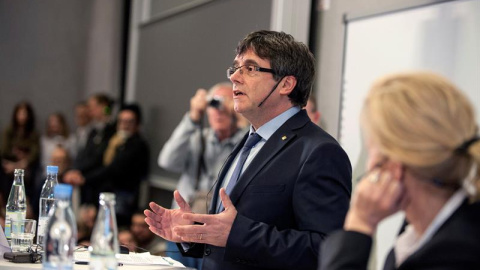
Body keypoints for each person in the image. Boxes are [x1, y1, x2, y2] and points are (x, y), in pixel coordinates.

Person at [145, 30, 352, 270]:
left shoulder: (319, 152)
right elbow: (230, 237)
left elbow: (328, 249)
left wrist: (238, 234)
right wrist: (192, 232)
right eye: (235, 68)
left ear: (286, 84)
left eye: (251, 68)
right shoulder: (250, 140)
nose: (235, 77)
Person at [319, 72, 480, 270]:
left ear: (393, 166)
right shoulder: (418, 232)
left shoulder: (454, 256)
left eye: (371, 149)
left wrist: (359, 224)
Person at [158, 82, 245, 269]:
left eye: (226, 104)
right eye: (214, 104)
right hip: (182, 228)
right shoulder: (197, 138)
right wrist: (192, 117)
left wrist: (241, 117)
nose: (219, 110)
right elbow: (167, 161)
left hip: (216, 234)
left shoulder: (245, 145)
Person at [64, 104, 149, 226]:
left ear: (137, 124)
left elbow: (113, 169)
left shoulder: (138, 145)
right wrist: (77, 171)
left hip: (122, 198)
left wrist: (84, 178)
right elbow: (97, 160)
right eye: (122, 121)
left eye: (129, 122)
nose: (125, 125)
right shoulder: (115, 141)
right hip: (103, 192)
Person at [65, 93, 116, 205]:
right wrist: (75, 170)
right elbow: (84, 153)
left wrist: (83, 176)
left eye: (92, 107)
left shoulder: (112, 131)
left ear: (103, 107)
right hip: (86, 179)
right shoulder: (94, 130)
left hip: (101, 183)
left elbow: (100, 158)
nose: (89, 111)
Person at [1, 101, 40, 206]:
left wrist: (21, 162)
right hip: (9, 164)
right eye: (20, 113)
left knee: (28, 172)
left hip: (26, 166)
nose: (22, 116)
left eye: (25, 113)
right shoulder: (9, 131)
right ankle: (6, 202)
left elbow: (35, 154)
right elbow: (4, 150)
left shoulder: (33, 133)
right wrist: (17, 157)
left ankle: (25, 202)